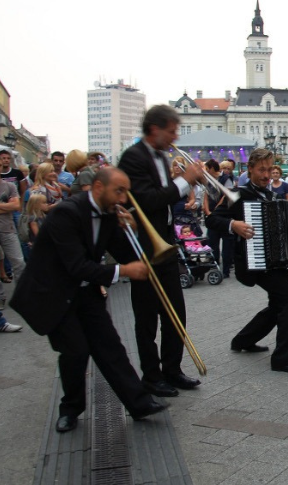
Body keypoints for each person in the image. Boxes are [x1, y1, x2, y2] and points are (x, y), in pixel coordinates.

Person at [9, 168, 167, 432]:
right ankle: (70, 410)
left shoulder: (108, 213)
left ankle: (139, 404)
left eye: (126, 192)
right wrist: (124, 271)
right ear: (98, 188)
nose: (123, 198)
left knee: (110, 345)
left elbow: (124, 253)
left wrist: (132, 229)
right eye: (119, 191)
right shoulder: (66, 213)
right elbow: (76, 266)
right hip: (54, 293)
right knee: (75, 350)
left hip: (85, 291)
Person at [118, 105, 204, 397]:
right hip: (144, 248)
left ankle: (172, 369)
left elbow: (165, 198)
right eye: (171, 131)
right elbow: (148, 200)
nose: (175, 137)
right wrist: (185, 180)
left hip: (165, 243)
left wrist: (188, 182)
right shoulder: (133, 157)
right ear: (154, 129)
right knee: (146, 318)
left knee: (175, 313)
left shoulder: (161, 156)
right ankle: (152, 377)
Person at [206, 148, 288, 373]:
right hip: (253, 263)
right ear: (250, 169)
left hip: (275, 263)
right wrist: (233, 224)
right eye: (261, 170)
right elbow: (212, 220)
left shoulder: (271, 196)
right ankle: (283, 359)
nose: (266, 175)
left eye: (269, 170)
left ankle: (242, 340)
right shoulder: (237, 194)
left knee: (278, 304)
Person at [0, 154, 26, 309]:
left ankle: (22, 295)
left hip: (8, 228)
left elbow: (16, 205)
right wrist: (2, 207)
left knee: (19, 262)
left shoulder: (9, 186)